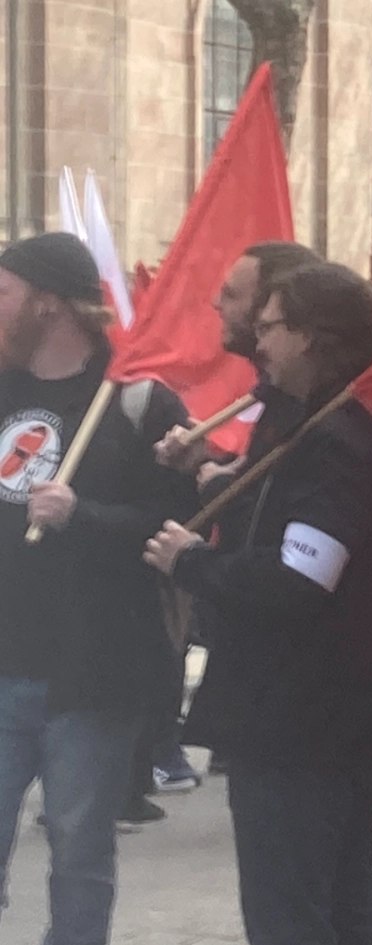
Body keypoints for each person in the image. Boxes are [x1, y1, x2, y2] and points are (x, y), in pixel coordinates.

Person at [143, 263, 372, 945]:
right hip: (327, 715)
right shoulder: (325, 424)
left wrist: (192, 561)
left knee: (294, 911)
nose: (257, 342)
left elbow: (299, 580)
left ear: (312, 337)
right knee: (346, 899)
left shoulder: (338, 441)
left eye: (269, 326)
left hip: (303, 719)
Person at [0, 233, 198, 945]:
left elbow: (177, 524)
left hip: (92, 670)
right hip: (5, 657)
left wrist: (84, 517)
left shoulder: (137, 397)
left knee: (80, 850)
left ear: (48, 304)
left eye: (3, 293)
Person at [154, 240, 323, 787]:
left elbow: (297, 558)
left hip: (296, 697)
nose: (214, 305)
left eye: (233, 295)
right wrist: (212, 462)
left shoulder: (321, 421)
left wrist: (193, 560)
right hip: (268, 688)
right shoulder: (277, 400)